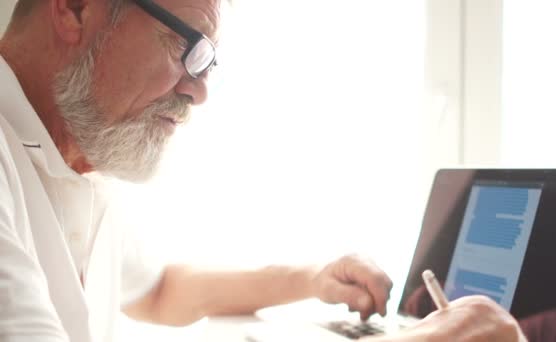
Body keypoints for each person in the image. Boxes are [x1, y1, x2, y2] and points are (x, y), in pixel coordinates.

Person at [0, 0, 526, 341]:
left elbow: (158, 290)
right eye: (187, 47)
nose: (200, 90)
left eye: (208, 64)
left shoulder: (83, 153)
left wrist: (311, 279)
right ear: (73, 8)